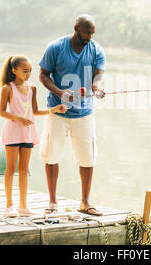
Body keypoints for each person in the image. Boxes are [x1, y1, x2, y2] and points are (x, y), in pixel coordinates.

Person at [39, 14, 106, 216]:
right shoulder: (56, 47)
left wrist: (97, 86)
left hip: (85, 113)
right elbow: (43, 74)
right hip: (57, 111)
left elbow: (99, 73)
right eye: (87, 32)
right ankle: (52, 202)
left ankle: (85, 202)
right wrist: (60, 92)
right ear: (76, 27)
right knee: (51, 155)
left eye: (93, 32)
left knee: (88, 159)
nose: (90, 36)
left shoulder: (96, 49)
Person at [0, 55, 67, 217]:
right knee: (11, 169)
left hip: (28, 133)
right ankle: (9, 205)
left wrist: (54, 109)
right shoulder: (7, 88)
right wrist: (19, 118)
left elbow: (35, 112)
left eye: (30, 71)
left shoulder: (32, 88)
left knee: (23, 169)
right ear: (14, 70)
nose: (28, 74)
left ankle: (23, 206)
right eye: (24, 71)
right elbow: (2, 112)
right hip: (13, 131)